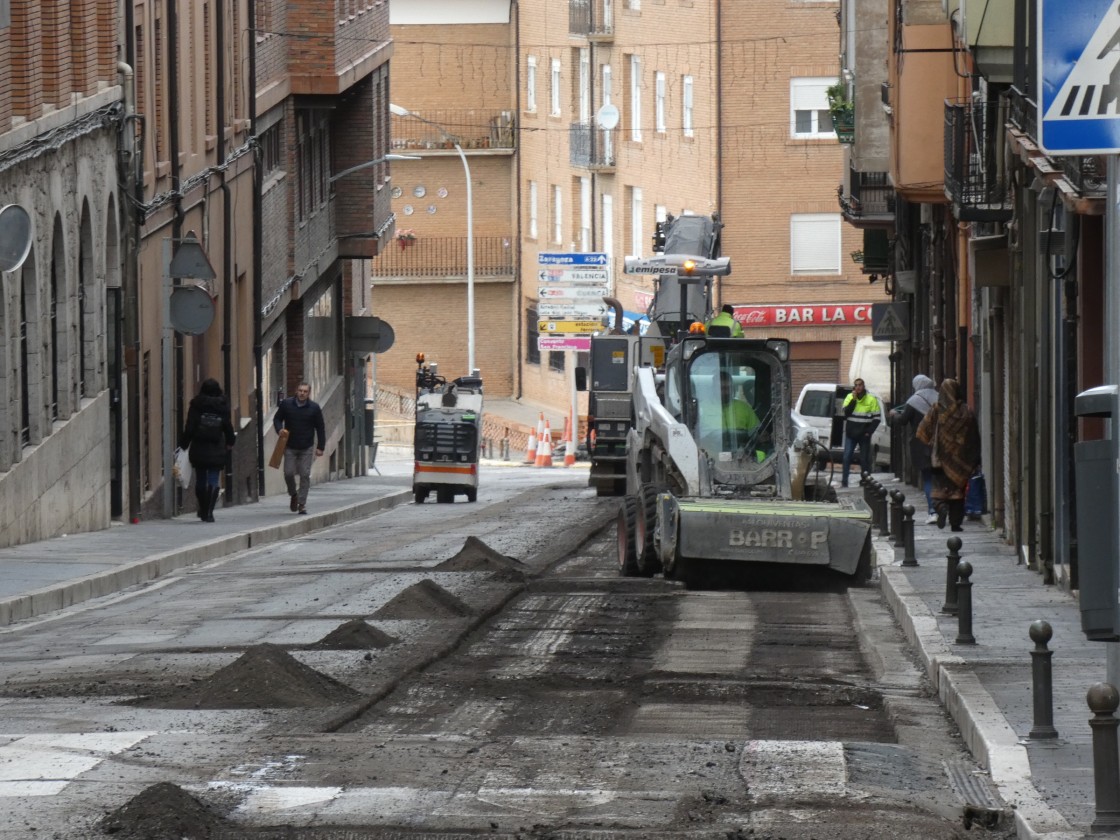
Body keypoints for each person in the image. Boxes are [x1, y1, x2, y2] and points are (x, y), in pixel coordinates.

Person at [916, 378, 981, 532]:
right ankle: (956, 524)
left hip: (940, 459)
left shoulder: (936, 409)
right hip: (961, 461)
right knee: (957, 493)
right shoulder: (966, 411)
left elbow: (922, 431)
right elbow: (974, 437)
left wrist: (931, 442)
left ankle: (941, 507)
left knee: (939, 491)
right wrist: (974, 458)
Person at [179, 378, 236, 523]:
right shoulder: (222, 406)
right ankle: (209, 512)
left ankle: (203, 509)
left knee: (200, 479)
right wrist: (230, 442)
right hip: (217, 446)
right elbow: (228, 426)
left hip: (199, 446)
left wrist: (184, 444)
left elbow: (190, 426)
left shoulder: (196, 404)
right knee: (213, 479)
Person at [890, 374, 939, 524]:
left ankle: (933, 511)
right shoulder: (940, 398)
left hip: (921, 444)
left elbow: (903, 420)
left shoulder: (913, 401)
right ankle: (946, 509)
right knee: (941, 477)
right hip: (940, 442)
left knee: (927, 477)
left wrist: (893, 415)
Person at [274, 381, 326, 515]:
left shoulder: (314, 408)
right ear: (296, 391)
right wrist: (279, 429)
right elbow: (277, 419)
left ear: (309, 393)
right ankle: (293, 494)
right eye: (300, 390)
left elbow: (320, 428)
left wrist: (320, 446)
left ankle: (302, 504)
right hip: (289, 445)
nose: (302, 393)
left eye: (305, 391)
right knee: (288, 473)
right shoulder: (286, 404)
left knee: (304, 474)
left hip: (306, 446)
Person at [841, 377, 880, 487]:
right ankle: (844, 481)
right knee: (846, 457)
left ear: (863, 386)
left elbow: (877, 418)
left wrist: (869, 432)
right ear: (854, 387)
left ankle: (866, 481)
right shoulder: (849, 397)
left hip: (864, 435)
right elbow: (846, 413)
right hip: (851, 434)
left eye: (860, 385)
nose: (858, 387)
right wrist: (854, 400)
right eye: (856, 385)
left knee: (864, 459)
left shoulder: (871, 399)